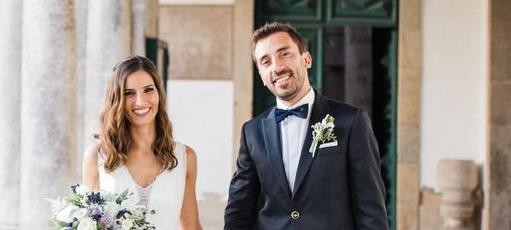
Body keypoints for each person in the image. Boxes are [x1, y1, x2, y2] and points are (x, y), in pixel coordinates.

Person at [224, 22, 388, 230]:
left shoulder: (352, 121)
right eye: (265, 62)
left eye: (284, 54)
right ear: (262, 76)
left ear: (306, 59)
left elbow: (371, 209)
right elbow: (240, 209)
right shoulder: (252, 132)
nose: (276, 67)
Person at [82, 54, 203, 230]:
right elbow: (90, 223)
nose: (140, 101)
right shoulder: (97, 157)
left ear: (159, 93)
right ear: (117, 100)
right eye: (129, 93)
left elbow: (192, 227)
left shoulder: (185, 157)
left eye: (148, 90)